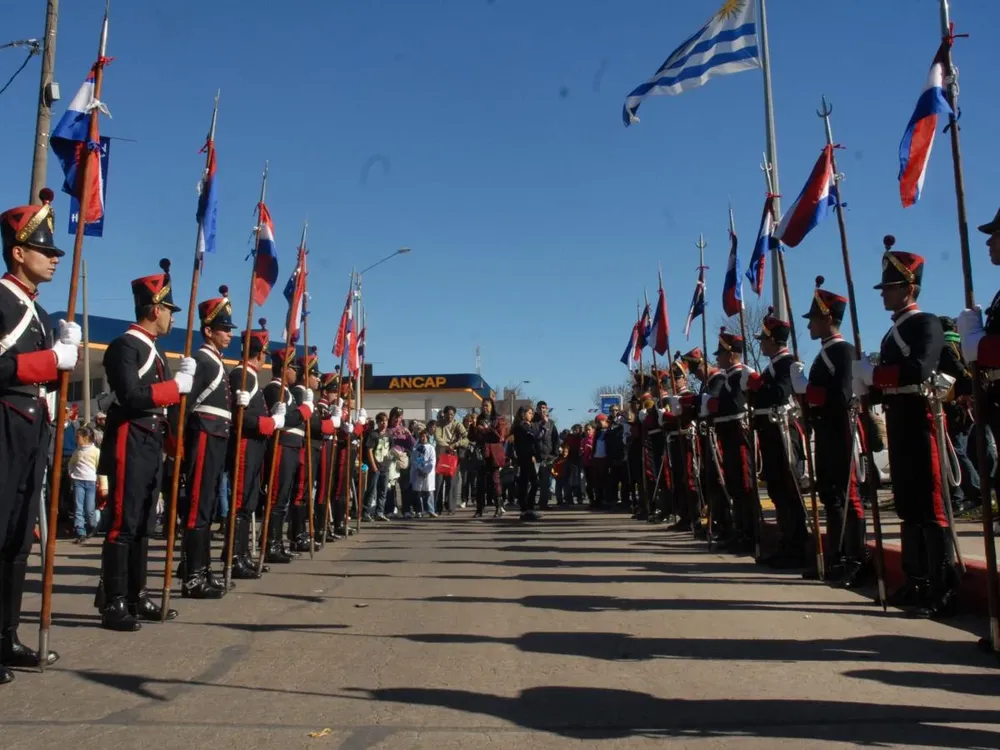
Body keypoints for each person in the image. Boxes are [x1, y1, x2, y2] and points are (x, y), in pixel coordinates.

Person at [0, 190, 79, 681]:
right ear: (17, 252)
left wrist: (58, 368)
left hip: (33, 431)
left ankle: (6, 636)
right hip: (4, 424)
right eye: (45, 251)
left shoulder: (42, 316)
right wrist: (49, 362)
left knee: (17, 541)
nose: (53, 258)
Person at [855, 238, 956, 618]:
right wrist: (868, 385)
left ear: (909, 288)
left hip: (919, 417)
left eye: (891, 287)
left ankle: (942, 584)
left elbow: (920, 369)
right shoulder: (890, 332)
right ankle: (916, 580)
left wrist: (876, 375)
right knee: (908, 504)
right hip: (898, 417)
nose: (884, 294)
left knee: (930, 503)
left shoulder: (924, 324)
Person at [97, 259, 191, 631]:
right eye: (168, 309)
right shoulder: (125, 346)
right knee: (123, 521)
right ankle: (114, 600)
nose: (171, 317)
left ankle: (137, 594)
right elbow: (131, 395)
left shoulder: (153, 350)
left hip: (151, 441)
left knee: (143, 523)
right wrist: (173, 389)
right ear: (155, 309)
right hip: (130, 436)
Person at [791, 278, 866, 586]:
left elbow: (843, 396)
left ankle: (855, 558)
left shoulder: (843, 352)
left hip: (840, 429)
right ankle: (835, 556)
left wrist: (808, 390)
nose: (809, 326)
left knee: (847, 496)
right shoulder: (825, 354)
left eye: (814, 320)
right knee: (831, 496)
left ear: (828, 319)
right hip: (824, 429)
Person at [178, 287, 237, 599]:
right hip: (202, 434)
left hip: (216, 436)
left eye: (228, 329)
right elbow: (184, 405)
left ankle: (203, 567)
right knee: (199, 508)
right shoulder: (202, 359)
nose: (228, 334)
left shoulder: (216, 360)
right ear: (208, 331)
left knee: (209, 504)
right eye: (223, 329)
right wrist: (178, 443)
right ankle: (192, 575)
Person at [749, 309, 808, 569]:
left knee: (788, 489)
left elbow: (781, 392)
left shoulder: (788, 363)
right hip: (770, 432)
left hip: (783, 430)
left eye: (763, 339)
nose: (760, 343)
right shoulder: (772, 365)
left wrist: (757, 386)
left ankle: (796, 546)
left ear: (774, 340)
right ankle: (787, 544)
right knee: (776, 489)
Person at [227, 321, 281, 580]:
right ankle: (234, 557)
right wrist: (270, 423)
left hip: (256, 447)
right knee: (240, 503)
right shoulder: (241, 375)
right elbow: (241, 419)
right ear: (260, 354)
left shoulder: (250, 377)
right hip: (245, 446)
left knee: (248, 503)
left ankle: (243, 555)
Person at [708, 330, 759, 556]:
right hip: (727, 433)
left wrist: (713, 405)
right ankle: (740, 532)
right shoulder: (729, 377)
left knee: (744, 485)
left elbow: (737, 406)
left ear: (731, 355)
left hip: (738, 433)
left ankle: (750, 534)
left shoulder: (739, 376)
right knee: (735, 486)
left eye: (720, 353)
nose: (717, 358)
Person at [261, 348, 313, 563]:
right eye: (293, 368)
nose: (295, 372)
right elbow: (285, 420)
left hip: (291, 446)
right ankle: (271, 544)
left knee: (282, 498)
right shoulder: (274, 389)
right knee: (276, 498)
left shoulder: (286, 391)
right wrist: (304, 411)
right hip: (281, 444)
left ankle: (277, 543)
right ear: (283, 369)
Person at [662, 357, 701, 534]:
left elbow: (685, 419)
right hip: (675, 441)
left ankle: (695, 517)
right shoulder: (671, 399)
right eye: (671, 378)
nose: (674, 382)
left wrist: (667, 417)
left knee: (689, 479)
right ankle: (684, 516)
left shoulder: (688, 396)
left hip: (686, 440)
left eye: (677, 378)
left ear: (684, 378)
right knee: (677, 479)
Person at [434, 405, 468, 514]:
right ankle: (437, 507)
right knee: (439, 481)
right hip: (441, 454)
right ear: (444, 414)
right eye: (448, 414)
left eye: (452, 414)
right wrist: (447, 445)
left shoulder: (458, 424)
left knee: (452, 482)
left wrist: (456, 444)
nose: (450, 416)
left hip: (453, 455)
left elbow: (466, 438)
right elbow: (437, 437)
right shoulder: (439, 424)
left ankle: (451, 507)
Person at [70, 426, 100, 543]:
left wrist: (102, 484)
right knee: (78, 507)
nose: (76, 439)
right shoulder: (77, 451)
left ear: (86, 437)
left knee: (89, 508)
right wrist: (72, 473)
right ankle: (80, 531)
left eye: (78, 437)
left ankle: (93, 525)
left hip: (91, 482)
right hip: (78, 481)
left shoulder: (96, 451)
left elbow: (100, 468)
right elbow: (71, 463)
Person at [512, 406, 540, 520]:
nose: (531, 415)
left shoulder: (526, 426)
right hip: (524, 457)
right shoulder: (521, 427)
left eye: (532, 413)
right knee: (532, 482)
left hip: (527, 457)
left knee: (526, 482)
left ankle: (527, 508)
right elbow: (531, 439)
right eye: (529, 413)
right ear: (523, 414)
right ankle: (527, 508)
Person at [533, 401, 559, 509]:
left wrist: (555, 455)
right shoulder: (533, 422)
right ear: (537, 409)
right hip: (535, 457)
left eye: (544, 407)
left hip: (547, 458)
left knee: (545, 483)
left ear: (547, 409)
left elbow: (555, 440)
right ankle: (530, 502)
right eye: (540, 408)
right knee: (533, 482)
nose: (542, 409)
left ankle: (543, 503)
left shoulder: (551, 424)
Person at [411, 429, 437, 517]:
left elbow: (432, 461)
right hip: (418, 472)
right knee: (418, 492)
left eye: (424, 437)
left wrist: (426, 471)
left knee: (429, 492)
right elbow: (415, 460)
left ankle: (430, 510)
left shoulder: (431, 448)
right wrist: (419, 469)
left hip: (428, 473)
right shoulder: (416, 448)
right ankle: (419, 511)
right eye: (421, 436)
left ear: (427, 437)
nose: (423, 438)